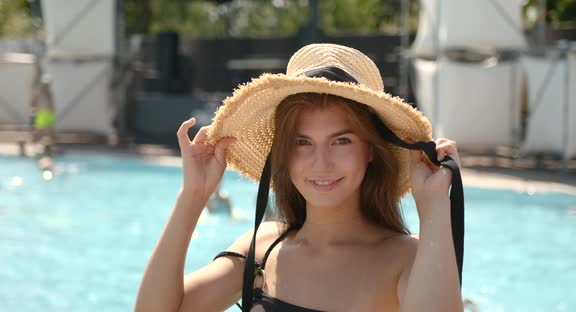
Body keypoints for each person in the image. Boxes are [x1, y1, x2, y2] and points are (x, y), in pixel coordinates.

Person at [136, 43, 464, 311]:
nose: (321, 163)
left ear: (371, 150)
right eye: (302, 142)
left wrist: (433, 206)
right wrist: (192, 196)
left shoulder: (407, 259)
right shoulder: (263, 250)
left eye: (341, 141)